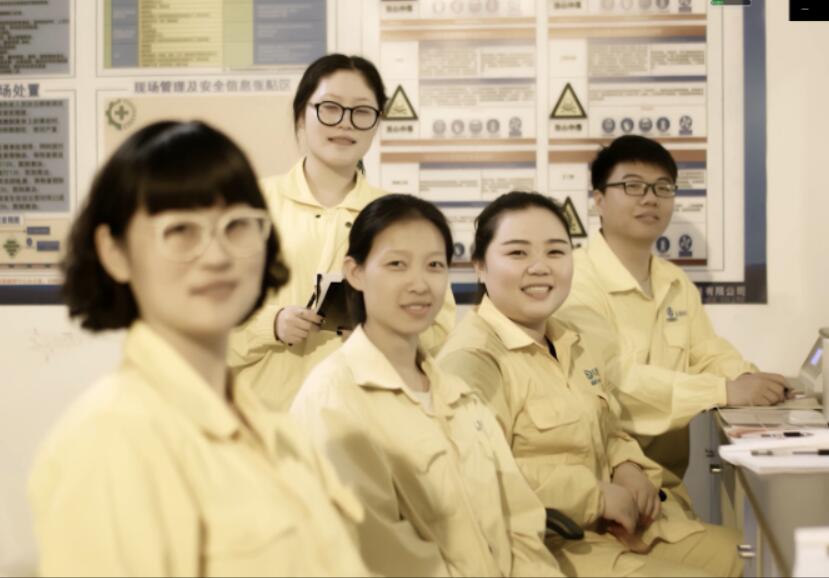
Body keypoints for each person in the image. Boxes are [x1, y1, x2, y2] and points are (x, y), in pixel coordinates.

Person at [29, 121, 368, 577]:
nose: (217, 255)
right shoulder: (112, 439)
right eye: (181, 230)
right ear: (114, 252)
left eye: (237, 226)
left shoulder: (270, 428)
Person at [438, 191, 743, 577]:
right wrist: (594, 496)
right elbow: (478, 472)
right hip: (545, 548)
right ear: (480, 267)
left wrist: (626, 464)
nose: (540, 267)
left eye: (555, 251)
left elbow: (606, 427)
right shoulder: (473, 359)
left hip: (622, 531)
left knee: (756, 553)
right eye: (517, 253)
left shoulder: (572, 341)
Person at [290, 194, 560, 577]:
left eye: (434, 265)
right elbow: (380, 556)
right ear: (356, 272)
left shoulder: (459, 396)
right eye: (397, 264)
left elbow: (520, 522)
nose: (419, 283)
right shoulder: (332, 401)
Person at [229, 54, 455, 411]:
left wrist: (385, 336)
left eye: (362, 111)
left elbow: (440, 327)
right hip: (264, 420)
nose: (346, 123)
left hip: (366, 419)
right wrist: (269, 324)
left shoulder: (399, 217)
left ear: (377, 123)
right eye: (330, 108)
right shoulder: (250, 206)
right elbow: (198, 313)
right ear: (302, 114)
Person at [556, 135, 787, 483]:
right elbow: (610, 381)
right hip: (602, 486)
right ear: (599, 200)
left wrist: (749, 379)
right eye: (633, 185)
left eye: (662, 187)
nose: (650, 198)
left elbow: (707, 352)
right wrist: (723, 391)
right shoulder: (574, 280)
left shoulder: (674, 281)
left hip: (667, 487)